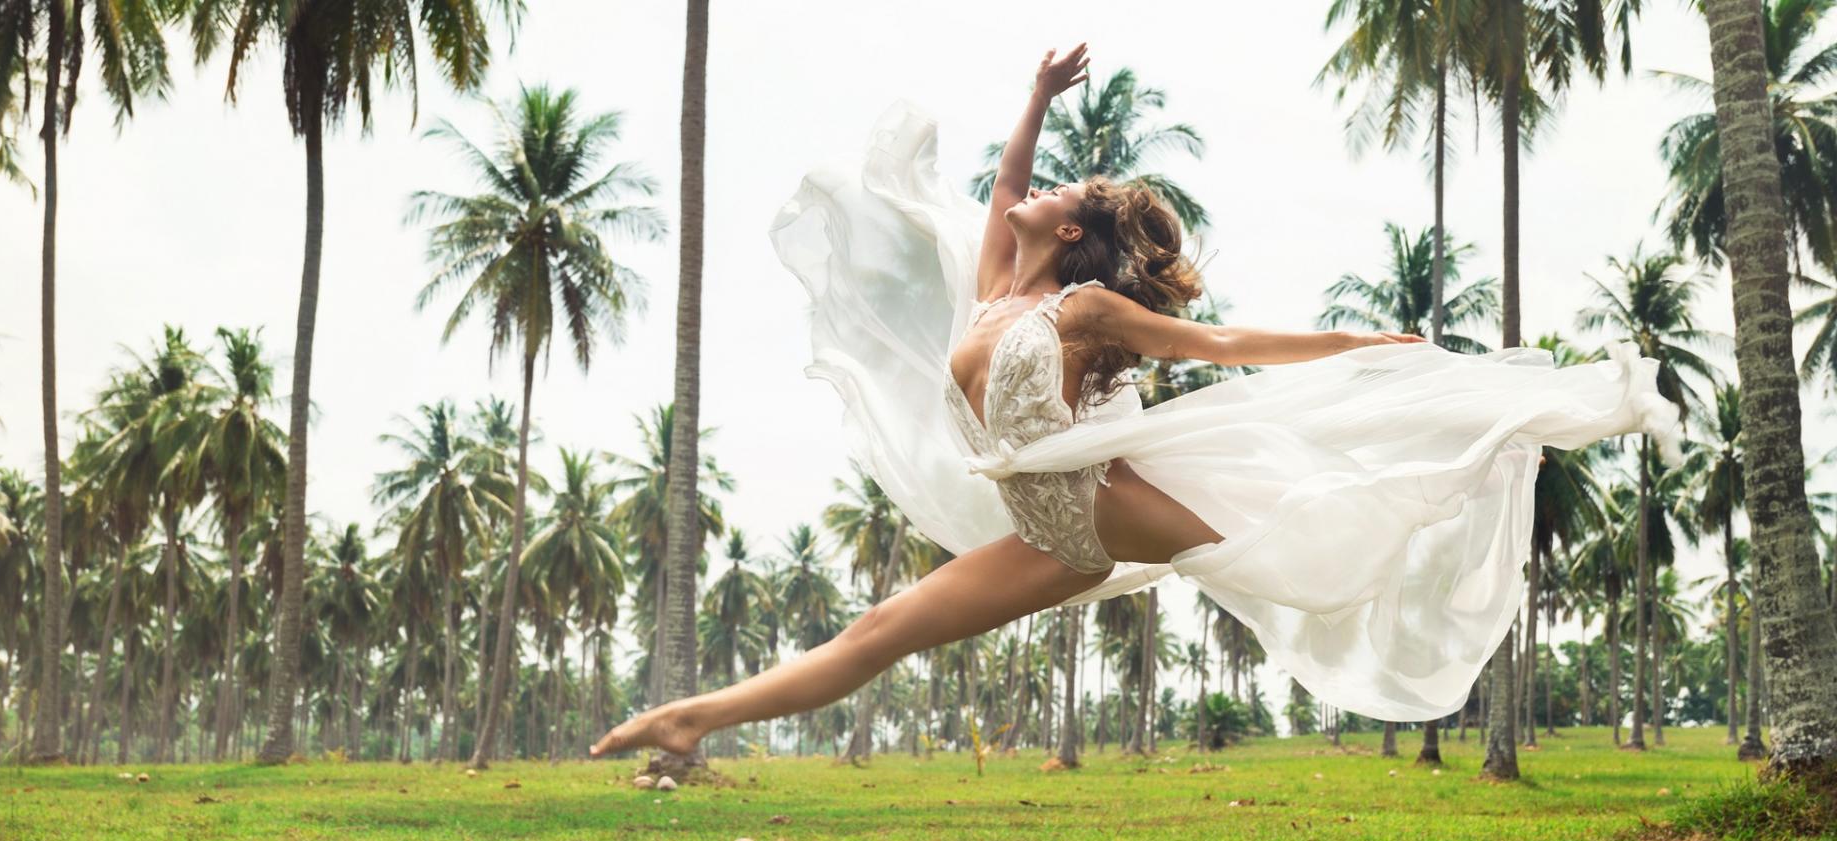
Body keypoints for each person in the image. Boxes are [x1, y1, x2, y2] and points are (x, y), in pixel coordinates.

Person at [588, 42, 1678, 759]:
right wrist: (1032, 98)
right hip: (1050, 535)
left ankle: (1481, 450)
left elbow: (1218, 340)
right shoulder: (989, 298)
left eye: (1062, 194)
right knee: (884, 630)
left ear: (1070, 238)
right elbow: (1010, 188)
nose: (1035, 191)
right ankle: (692, 720)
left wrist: (1353, 340)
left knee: (1311, 540)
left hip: (1104, 502)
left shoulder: (1081, 313)